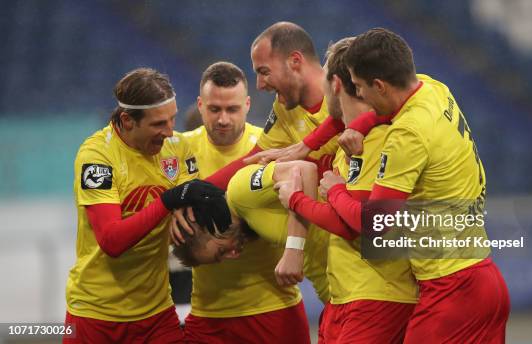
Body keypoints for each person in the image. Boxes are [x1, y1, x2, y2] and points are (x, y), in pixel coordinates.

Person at [316, 28, 510, 343]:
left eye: (362, 87)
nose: (359, 96)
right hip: (486, 278)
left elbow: (376, 225)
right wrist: (361, 126)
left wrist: (335, 190)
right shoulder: (434, 89)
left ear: (379, 85)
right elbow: (390, 111)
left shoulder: (407, 135)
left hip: (451, 289)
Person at [64, 68, 239, 344]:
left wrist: (254, 157)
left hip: (157, 314)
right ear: (127, 120)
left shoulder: (176, 147)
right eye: (159, 124)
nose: (169, 131)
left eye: (172, 119)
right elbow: (112, 241)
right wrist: (169, 200)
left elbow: (194, 194)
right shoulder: (97, 156)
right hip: (96, 316)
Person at [276, 37, 419, 344]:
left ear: (337, 84)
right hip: (346, 295)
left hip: (379, 295)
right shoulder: (351, 141)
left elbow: (356, 226)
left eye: (325, 77)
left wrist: (296, 200)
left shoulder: (379, 139)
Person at [179, 61, 311, 344]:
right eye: (215, 109)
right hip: (207, 315)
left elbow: (300, 201)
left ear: (248, 105)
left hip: (274, 309)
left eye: (232, 109)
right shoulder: (178, 151)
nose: (223, 119)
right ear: (200, 105)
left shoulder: (270, 147)